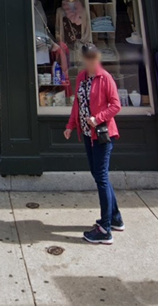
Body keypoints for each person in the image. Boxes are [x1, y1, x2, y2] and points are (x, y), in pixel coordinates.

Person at [63, 42, 123, 245]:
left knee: (101, 178)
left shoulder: (105, 78)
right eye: (85, 58)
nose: (88, 61)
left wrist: (98, 118)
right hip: (87, 134)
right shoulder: (81, 77)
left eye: (91, 57)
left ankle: (105, 229)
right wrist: (71, 125)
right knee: (99, 175)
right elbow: (77, 104)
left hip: (102, 135)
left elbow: (116, 105)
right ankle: (115, 218)